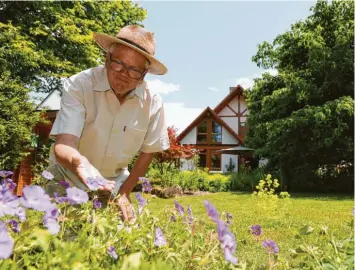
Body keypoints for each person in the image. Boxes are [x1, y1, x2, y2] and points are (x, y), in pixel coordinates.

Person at [44, 25, 170, 221]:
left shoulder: (153, 102)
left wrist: (125, 192)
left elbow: (148, 151)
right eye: (118, 63)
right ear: (107, 59)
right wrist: (80, 163)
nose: (123, 74)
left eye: (134, 70)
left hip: (113, 185)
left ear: (144, 74)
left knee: (121, 246)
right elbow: (64, 143)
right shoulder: (80, 84)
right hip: (67, 178)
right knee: (59, 242)